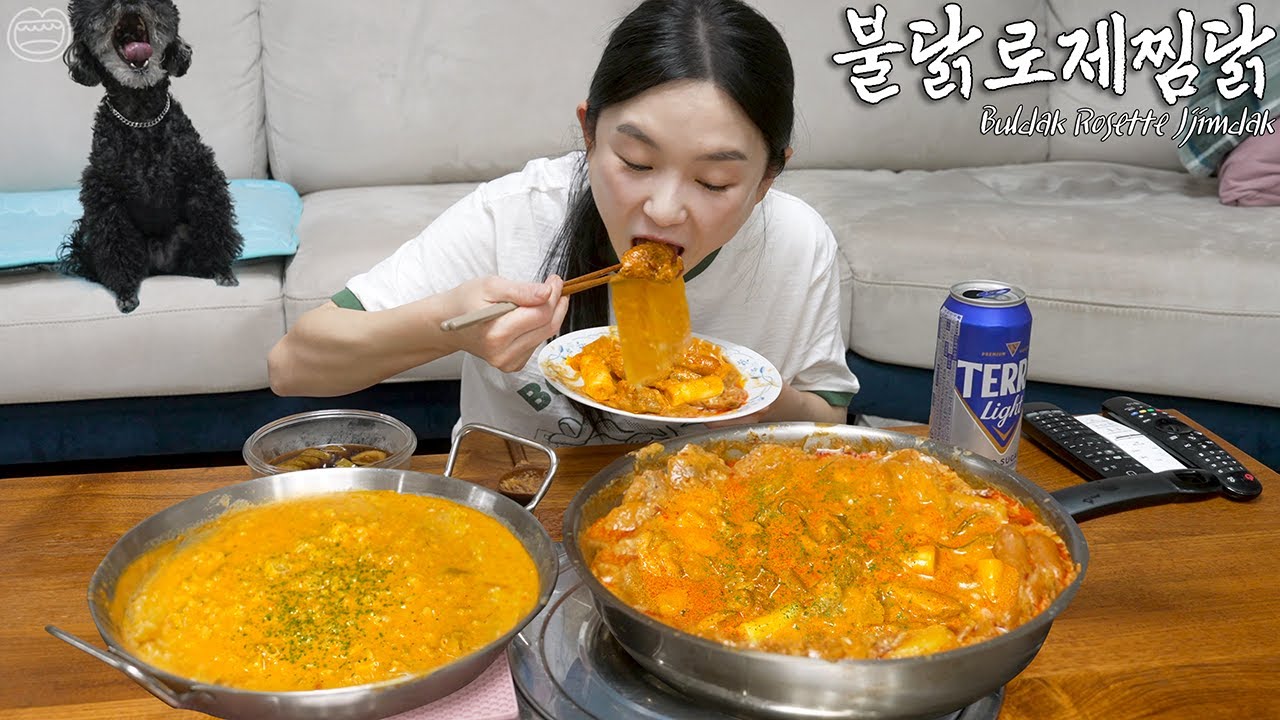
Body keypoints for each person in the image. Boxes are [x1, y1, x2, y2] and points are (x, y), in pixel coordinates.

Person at [267, 0, 859, 446]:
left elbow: (830, 418)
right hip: (526, 504)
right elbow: (291, 367)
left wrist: (763, 398)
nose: (664, 209)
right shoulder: (514, 215)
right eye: (636, 162)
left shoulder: (798, 244)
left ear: (766, 180)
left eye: (714, 182)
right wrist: (447, 328)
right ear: (588, 133)